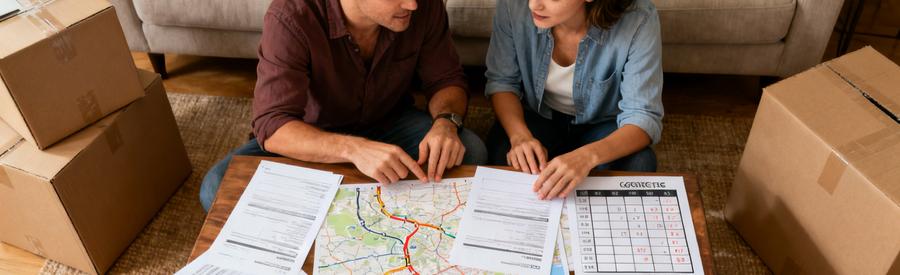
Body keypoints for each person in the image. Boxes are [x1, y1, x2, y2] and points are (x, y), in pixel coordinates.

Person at [199, 0, 487, 211]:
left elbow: (447, 79)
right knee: (217, 186)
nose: (411, 4)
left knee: (470, 149)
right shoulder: (291, 16)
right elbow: (273, 126)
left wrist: (446, 124)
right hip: (313, 139)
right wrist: (353, 149)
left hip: (389, 122)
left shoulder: (422, 6)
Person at [485, 0, 663, 200]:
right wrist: (520, 137)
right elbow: (502, 82)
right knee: (502, 152)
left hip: (603, 126)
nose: (534, 5)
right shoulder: (513, 5)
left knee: (640, 163)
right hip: (539, 116)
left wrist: (587, 157)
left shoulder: (639, 18)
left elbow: (643, 116)